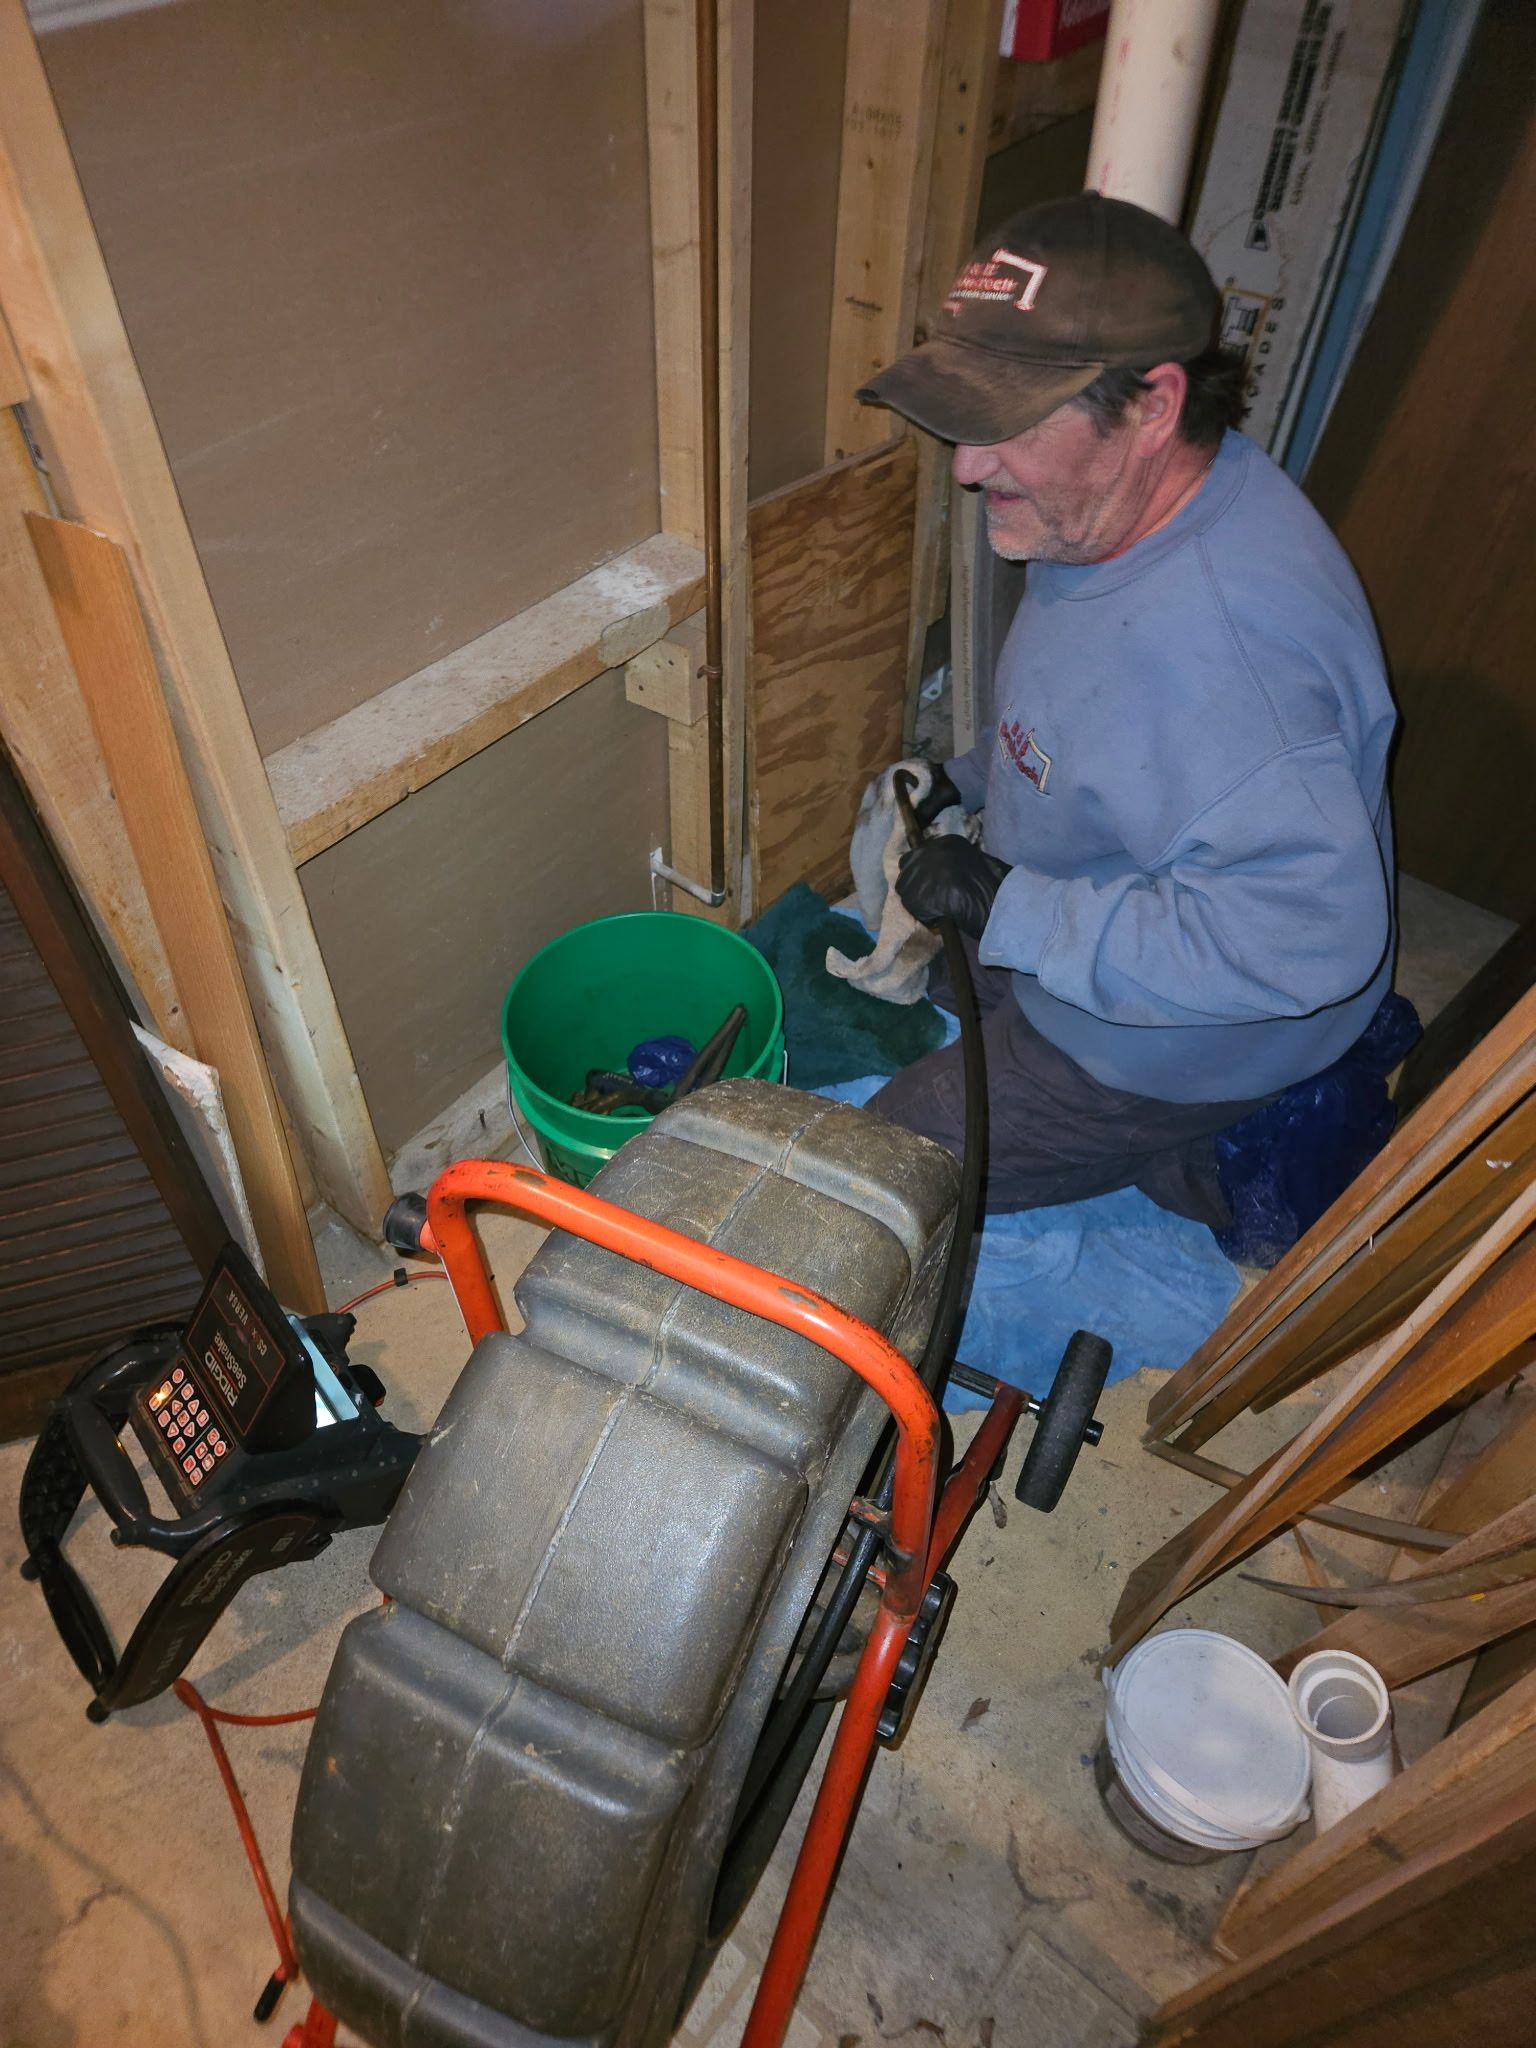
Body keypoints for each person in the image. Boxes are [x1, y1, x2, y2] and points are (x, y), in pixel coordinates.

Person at [858, 192, 1398, 1227]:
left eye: (1005, 425)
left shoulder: (1230, 661)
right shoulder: (1123, 512)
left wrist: (1014, 907)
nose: (967, 468)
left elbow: (1301, 940)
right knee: (943, 976)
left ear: (1152, 406)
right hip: (1109, 885)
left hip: (1186, 1033)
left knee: (880, 1172)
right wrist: (970, 777)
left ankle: (1213, 1151)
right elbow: (1097, 718)